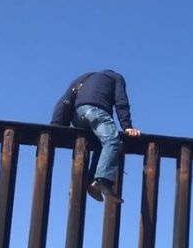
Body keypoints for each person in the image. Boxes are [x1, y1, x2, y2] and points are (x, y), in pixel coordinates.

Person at [51, 69, 140, 203]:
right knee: (113, 141)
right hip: (95, 111)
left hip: (77, 116)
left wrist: (56, 126)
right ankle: (102, 180)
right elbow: (121, 102)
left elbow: (64, 101)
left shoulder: (81, 78)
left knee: (102, 141)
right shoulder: (116, 78)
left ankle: (93, 179)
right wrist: (127, 127)